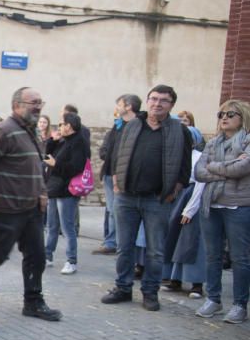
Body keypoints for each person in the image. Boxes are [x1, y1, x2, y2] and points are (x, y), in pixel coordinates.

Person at [102, 84, 192, 312]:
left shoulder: (179, 131)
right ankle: (122, 287)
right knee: (124, 247)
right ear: (147, 101)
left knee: (155, 250)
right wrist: (116, 183)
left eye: (163, 100)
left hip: (157, 199)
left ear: (171, 105)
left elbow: (184, 166)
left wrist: (175, 190)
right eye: (153, 99)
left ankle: (150, 292)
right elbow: (115, 157)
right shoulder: (132, 126)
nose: (157, 103)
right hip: (126, 197)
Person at [0, 87, 62, 321]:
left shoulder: (31, 132)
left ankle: (34, 302)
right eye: (33, 102)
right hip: (7, 210)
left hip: (32, 210)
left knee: (36, 256)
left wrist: (42, 194)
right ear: (17, 105)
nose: (38, 107)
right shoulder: (3, 131)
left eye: (40, 102)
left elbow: (36, 169)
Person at [193, 99, 250, 323]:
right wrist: (228, 168)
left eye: (230, 114)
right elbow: (199, 172)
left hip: (238, 206)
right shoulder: (212, 142)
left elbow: (243, 168)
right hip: (212, 204)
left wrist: (216, 167)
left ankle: (239, 305)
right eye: (221, 114)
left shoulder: (247, 141)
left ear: (242, 117)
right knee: (212, 255)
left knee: (240, 257)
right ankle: (214, 299)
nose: (224, 118)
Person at [94, 94, 141, 255]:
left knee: (118, 211)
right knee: (111, 210)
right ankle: (112, 241)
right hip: (109, 173)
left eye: (119, 104)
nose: (117, 108)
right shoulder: (118, 125)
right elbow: (109, 146)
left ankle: (119, 244)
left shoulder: (137, 126)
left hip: (121, 176)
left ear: (128, 106)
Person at [43, 112, 88, 275]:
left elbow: (75, 167)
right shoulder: (62, 141)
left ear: (69, 126)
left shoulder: (79, 143)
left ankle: (71, 261)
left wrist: (56, 164)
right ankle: (47, 256)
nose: (59, 127)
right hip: (54, 189)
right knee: (51, 226)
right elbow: (47, 156)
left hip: (67, 191)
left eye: (61, 124)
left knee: (67, 227)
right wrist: (51, 141)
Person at [161, 145, 206, 298]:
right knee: (173, 238)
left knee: (191, 240)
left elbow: (201, 182)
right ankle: (174, 278)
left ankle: (196, 283)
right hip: (178, 197)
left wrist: (191, 208)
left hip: (193, 198)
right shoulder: (174, 153)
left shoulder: (200, 156)